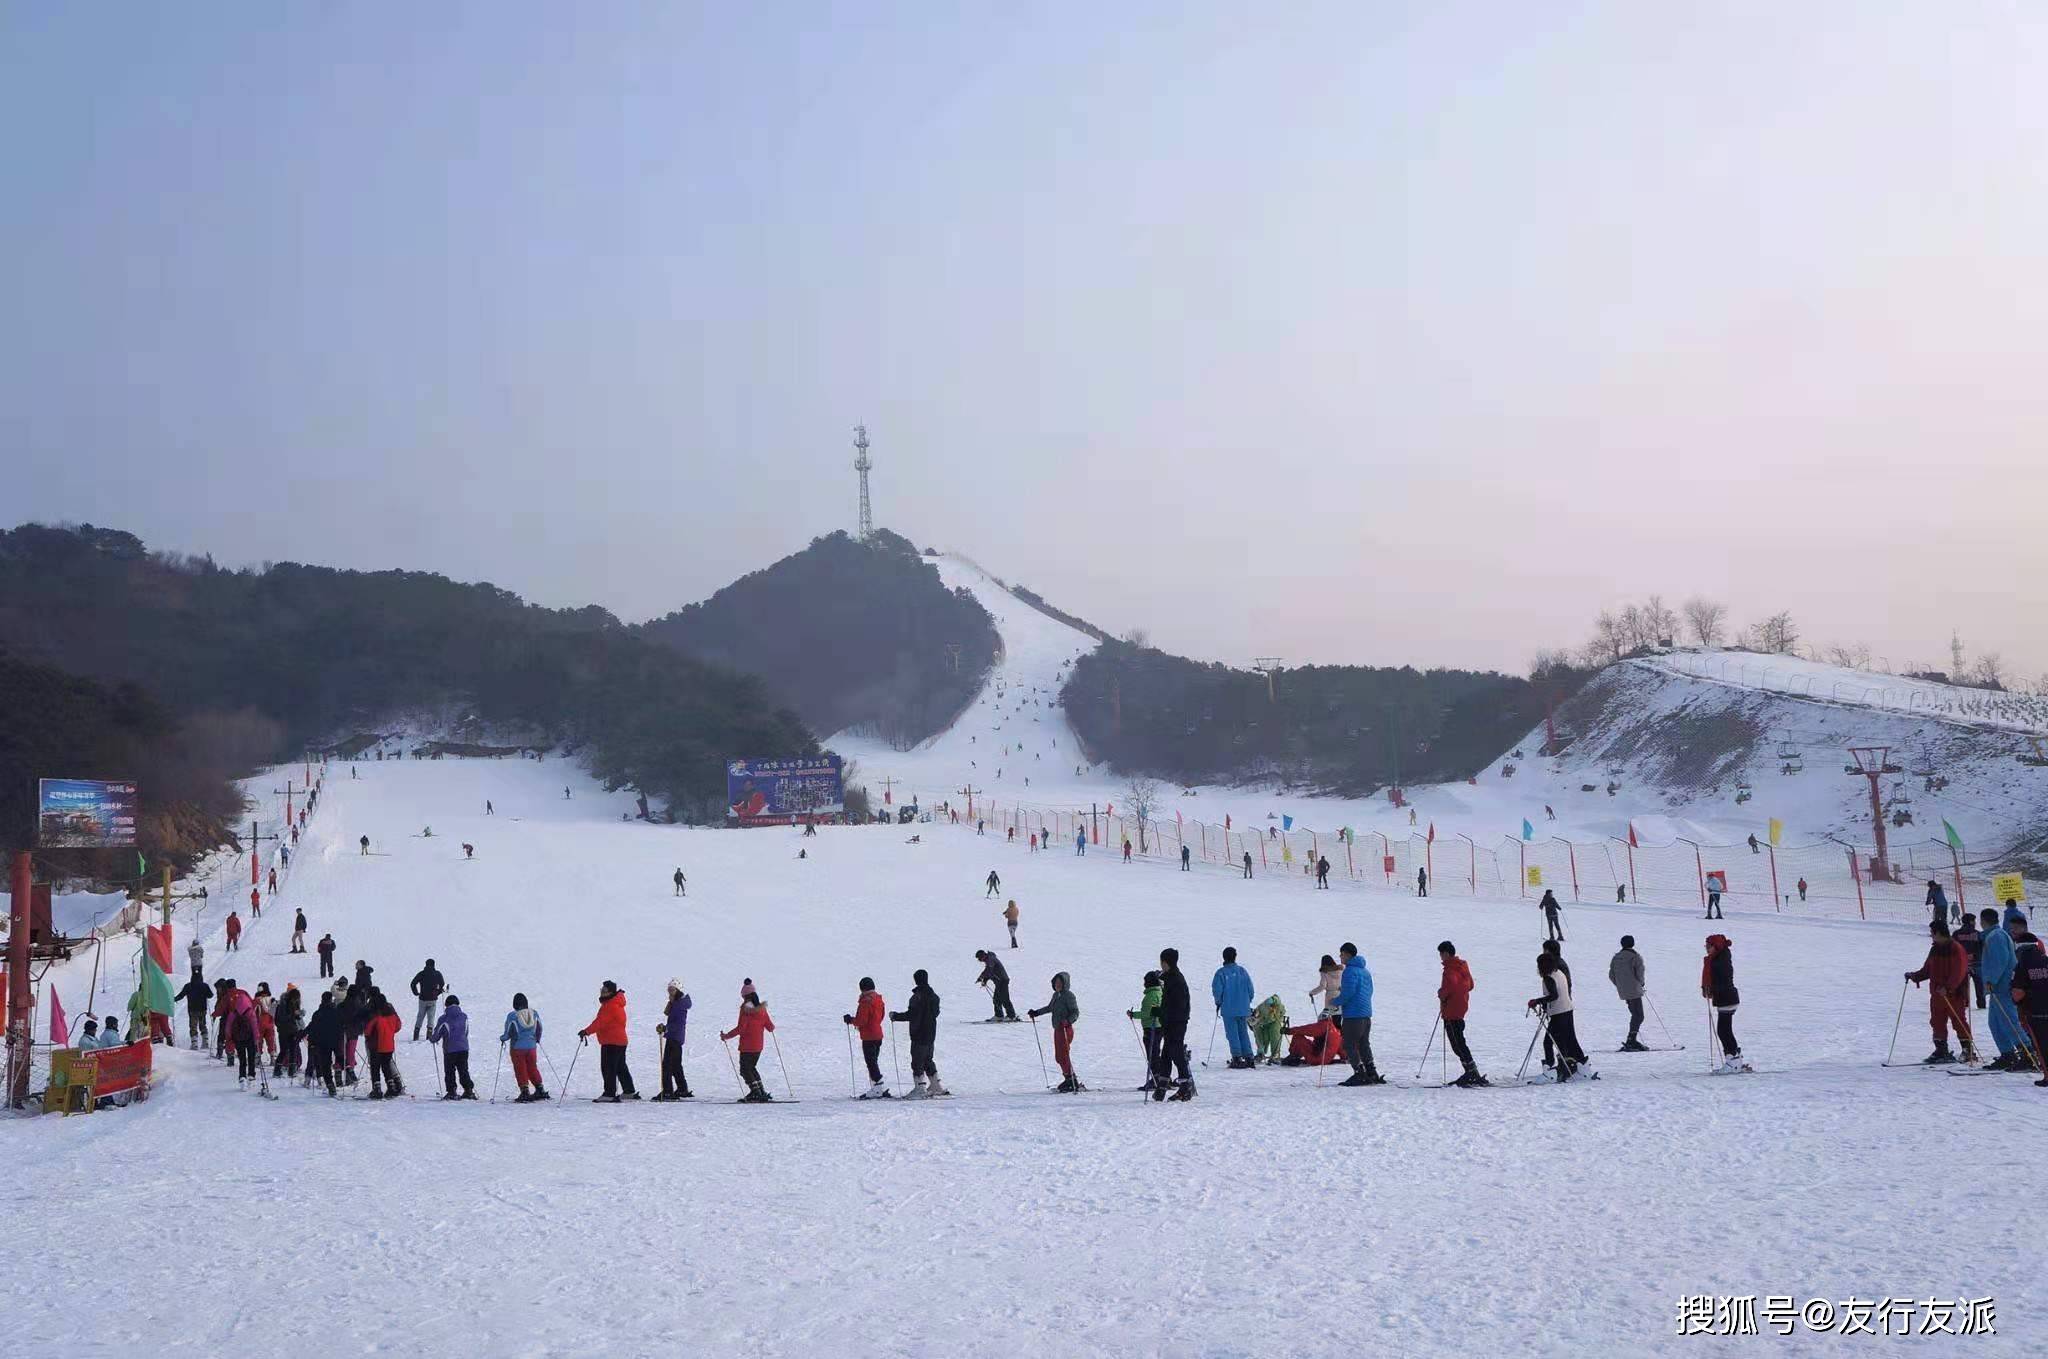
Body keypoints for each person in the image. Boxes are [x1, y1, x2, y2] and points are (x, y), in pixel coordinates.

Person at [1904, 919, 1975, 1064]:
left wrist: (1949, 987)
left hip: (1954, 994)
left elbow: (1959, 971)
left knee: (1958, 1021)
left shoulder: (1956, 948)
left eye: (1932, 933)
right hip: (1937, 993)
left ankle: (1968, 1050)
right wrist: (1915, 976)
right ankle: (1941, 1050)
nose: (1931, 936)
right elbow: (1928, 969)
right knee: (1937, 1021)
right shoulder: (1935, 948)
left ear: (1938, 933)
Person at [1529, 953, 1588, 1080]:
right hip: (1567, 1010)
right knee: (1569, 1039)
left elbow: (1554, 996)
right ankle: (1580, 1064)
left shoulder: (1548, 977)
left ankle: (1550, 1070)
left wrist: (1537, 1001)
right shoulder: (1560, 973)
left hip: (1558, 1013)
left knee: (1548, 1042)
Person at [579, 980, 639, 1102]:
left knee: (608, 1067)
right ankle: (629, 1090)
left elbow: (599, 1023)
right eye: (601, 990)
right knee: (620, 1067)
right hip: (619, 1041)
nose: (601, 993)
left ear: (611, 992)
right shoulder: (616, 1003)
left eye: (604, 991)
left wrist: (586, 1031)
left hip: (612, 1042)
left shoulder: (610, 1005)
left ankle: (609, 1093)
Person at [1437, 941, 1486, 1086]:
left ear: (1446, 953)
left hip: (1451, 1011)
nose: (1440, 957)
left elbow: (1450, 987)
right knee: (1460, 1042)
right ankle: (1471, 1071)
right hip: (1461, 1008)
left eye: (1441, 954)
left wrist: (1441, 994)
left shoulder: (1449, 970)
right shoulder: (1462, 966)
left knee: (1457, 1044)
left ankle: (1470, 1072)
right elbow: (1470, 985)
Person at [892, 970, 947, 1098]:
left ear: (916, 980)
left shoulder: (916, 997)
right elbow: (936, 1013)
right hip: (931, 1032)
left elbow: (912, 1015)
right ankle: (935, 1085)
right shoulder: (934, 996)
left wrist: (895, 1016)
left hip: (918, 1032)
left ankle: (920, 1087)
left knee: (917, 1060)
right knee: (928, 1058)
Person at [1336, 942, 1384, 1086]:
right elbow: (1369, 991)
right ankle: (1371, 1071)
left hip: (1353, 1015)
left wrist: (1335, 1001)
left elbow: (1348, 993)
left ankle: (1359, 1073)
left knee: (1348, 1044)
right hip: (1365, 1013)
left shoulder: (1349, 971)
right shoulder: (1365, 971)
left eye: (1341, 954)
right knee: (1363, 1043)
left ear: (1348, 954)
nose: (1340, 956)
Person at [1028, 971, 1082, 1091]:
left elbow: (1075, 1012)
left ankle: (1072, 1081)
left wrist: (1067, 1021)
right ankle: (1069, 1079)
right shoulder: (1056, 995)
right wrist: (1036, 1013)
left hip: (1065, 1029)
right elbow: (1050, 1008)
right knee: (1059, 1057)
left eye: (1060, 982)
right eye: (1056, 982)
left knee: (1063, 1056)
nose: (1057, 985)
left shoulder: (1069, 995)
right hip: (1058, 1029)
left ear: (1065, 983)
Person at [1702, 934, 1748, 1072]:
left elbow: (1723, 981)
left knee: (1723, 1030)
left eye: (1708, 946)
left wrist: (1711, 989)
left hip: (1727, 998)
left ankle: (1733, 1061)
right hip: (1727, 998)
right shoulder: (1719, 957)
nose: (1706, 949)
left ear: (1715, 946)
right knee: (1725, 1030)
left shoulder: (1719, 961)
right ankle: (1734, 1059)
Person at [1154, 948, 1195, 1101]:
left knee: (1176, 1053)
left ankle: (1185, 1087)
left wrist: (1161, 1012)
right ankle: (1162, 1086)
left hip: (1176, 1022)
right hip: (1171, 1021)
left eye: (1162, 962)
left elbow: (1176, 1004)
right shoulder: (1170, 978)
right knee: (1165, 1054)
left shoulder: (1176, 979)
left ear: (1166, 962)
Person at [2010, 925, 2048, 1087]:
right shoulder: (2046, 960)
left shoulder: (2021, 965)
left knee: (2041, 1043)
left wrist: (2017, 1002)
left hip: (2034, 1010)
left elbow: (2018, 991)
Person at [721, 993, 777, 1102]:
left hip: (747, 1046)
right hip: (758, 1046)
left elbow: (740, 1029)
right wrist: (770, 1028)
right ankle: (760, 1091)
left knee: (745, 1069)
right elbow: (770, 1026)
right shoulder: (762, 1010)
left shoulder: (746, 1012)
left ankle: (755, 1092)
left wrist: (726, 1036)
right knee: (751, 1068)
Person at [1211, 947, 1256, 1070]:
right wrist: (1247, 1001)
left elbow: (1217, 990)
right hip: (1243, 1008)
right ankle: (1249, 1057)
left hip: (1229, 1008)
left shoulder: (1221, 973)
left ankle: (1236, 1057)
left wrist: (1218, 1002)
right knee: (1243, 1033)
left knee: (1232, 1034)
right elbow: (1250, 989)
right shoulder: (1242, 971)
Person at [844, 977, 888, 1098]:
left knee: (871, 1062)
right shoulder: (878, 999)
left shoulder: (866, 1001)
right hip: (878, 1034)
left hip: (869, 1036)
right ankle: (877, 1087)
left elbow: (861, 1021)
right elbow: (882, 1015)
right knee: (874, 1061)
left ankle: (878, 1086)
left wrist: (851, 1020)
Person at [501, 993, 549, 1101]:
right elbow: (539, 1028)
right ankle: (540, 1088)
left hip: (517, 1047)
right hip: (531, 1047)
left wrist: (503, 1038)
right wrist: (537, 1039)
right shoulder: (534, 1013)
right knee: (532, 1067)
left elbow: (509, 1031)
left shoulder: (513, 1016)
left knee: (520, 1068)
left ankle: (524, 1091)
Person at [655, 979, 694, 1100]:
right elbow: (670, 1016)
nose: (669, 992)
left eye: (672, 990)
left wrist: (666, 1028)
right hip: (675, 1036)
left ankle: (667, 1091)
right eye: (669, 990)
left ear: (678, 990)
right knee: (676, 1064)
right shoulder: (677, 1003)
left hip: (674, 1036)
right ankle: (682, 1088)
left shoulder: (679, 1005)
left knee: (667, 1065)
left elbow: (678, 1022)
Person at [1609, 935, 1648, 1051]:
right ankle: (1631, 1040)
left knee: (1635, 1014)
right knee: (1639, 1015)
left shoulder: (1616, 957)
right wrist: (1641, 983)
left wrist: (1620, 985)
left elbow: (1611, 975)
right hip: (1634, 990)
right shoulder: (1635, 957)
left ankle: (1632, 1039)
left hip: (1623, 990)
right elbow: (1640, 973)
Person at [432, 995, 476, 1098]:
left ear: (446, 1005)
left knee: (450, 1071)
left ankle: (452, 1091)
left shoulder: (444, 1018)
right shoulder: (464, 1016)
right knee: (463, 1069)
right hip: (463, 1048)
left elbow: (437, 1035)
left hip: (450, 1049)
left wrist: (432, 1038)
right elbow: (466, 1031)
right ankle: (468, 1090)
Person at [1128, 971, 1163, 1089]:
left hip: (1151, 1027)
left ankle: (1155, 1079)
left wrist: (1133, 1014)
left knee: (1152, 1054)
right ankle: (1160, 1077)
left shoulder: (1151, 995)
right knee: (1156, 1053)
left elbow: (1147, 1013)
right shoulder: (1159, 992)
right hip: (1158, 1026)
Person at [305, 991, 343, 1096]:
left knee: (325, 1065)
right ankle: (341, 1076)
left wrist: (311, 1041)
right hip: (335, 1041)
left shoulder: (318, 1013)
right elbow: (341, 1026)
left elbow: (313, 1028)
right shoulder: (336, 1012)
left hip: (322, 1043)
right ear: (331, 1000)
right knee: (339, 1059)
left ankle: (330, 1085)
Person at [365, 995, 404, 1097]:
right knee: (386, 1066)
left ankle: (377, 1089)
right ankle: (391, 1087)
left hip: (377, 1045)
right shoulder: (393, 1015)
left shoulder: (377, 1017)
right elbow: (398, 1026)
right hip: (389, 1045)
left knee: (375, 1067)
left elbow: (367, 1031)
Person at [1954, 911, 1986, 1009]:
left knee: (1963, 985)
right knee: (1979, 986)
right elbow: (1983, 947)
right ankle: (1981, 1004)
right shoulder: (1978, 934)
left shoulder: (1956, 934)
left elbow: (1953, 948)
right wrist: (1975, 955)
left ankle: (1963, 1003)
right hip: (1977, 963)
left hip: (1962, 964)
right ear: (1972, 922)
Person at [975, 950, 1018, 1021]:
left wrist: (981, 977)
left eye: (979, 958)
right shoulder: (989, 959)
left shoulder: (990, 959)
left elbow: (989, 970)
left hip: (1003, 981)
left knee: (1005, 998)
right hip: (999, 982)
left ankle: (1011, 1016)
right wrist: (984, 980)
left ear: (983, 956)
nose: (980, 960)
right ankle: (999, 1015)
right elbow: (989, 971)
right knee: (996, 999)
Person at [411, 958, 446, 1041]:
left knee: (420, 1016)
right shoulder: (438, 974)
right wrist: (437, 993)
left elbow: (413, 983)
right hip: (433, 999)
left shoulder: (422, 973)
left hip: (422, 999)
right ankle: (429, 1036)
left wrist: (416, 992)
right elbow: (443, 985)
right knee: (431, 1018)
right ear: (434, 965)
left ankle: (416, 1035)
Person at [273, 984, 304, 1078]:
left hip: (289, 1030)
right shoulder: (283, 1004)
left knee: (291, 1050)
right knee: (286, 1050)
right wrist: (293, 1015)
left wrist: (298, 1015)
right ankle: (280, 1069)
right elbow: (282, 1018)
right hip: (287, 1030)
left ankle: (289, 1070)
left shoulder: (289, 1004)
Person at [177, 971, 212, 1048]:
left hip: (192, 1009)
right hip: (203, 1009)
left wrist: (174, 999)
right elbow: (210, 995)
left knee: (193, 1026)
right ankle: (205, 1042)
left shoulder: (188, 986)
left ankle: (194, 1044)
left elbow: (181, 995)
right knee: (203, 1025)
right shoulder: (205, 986)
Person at [1251, 994, 1288, 1065]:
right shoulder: (1257, 1018)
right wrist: (1260, 1048)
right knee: (1262, 1036)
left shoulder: (1261, 1008)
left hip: (1275, 1021)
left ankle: (1275, 1055)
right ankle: (1261, 1053)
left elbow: (1277, 999)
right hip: (1266, 1023)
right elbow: (1258, 1034)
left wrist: (1273, 1000)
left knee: (1275, 1036)